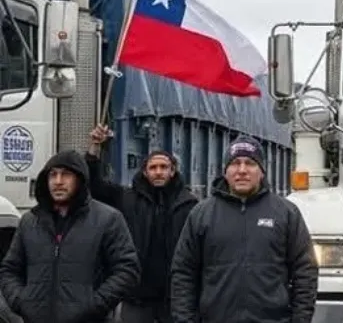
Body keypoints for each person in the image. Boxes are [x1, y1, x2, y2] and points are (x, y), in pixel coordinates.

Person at [170, 135, 318, 323]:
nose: (242, 170)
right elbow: (183, 272)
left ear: (262, 171)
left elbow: (305, 270)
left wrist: (301, 319)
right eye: (235, 163)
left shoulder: (286, 213)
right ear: (225, 171)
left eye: (250, 163)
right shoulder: (201, 214)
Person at [0, 150, 141, 323]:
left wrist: (94, 305)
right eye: (53, 175)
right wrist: (21, 302)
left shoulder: (108, 219)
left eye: (66, 175)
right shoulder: (29, 222)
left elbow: (127, 270)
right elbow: (9, 270)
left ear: (80, 180)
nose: (58, 182)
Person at [85, 124, 199, 323]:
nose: (158, 172)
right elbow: (94, 186)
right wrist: (95, 149)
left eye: (164, 167)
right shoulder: (127, 198)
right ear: (145, 172)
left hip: (174, 298)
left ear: (173, 172)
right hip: (137, 296)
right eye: (153, 168)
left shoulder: (189, 205)